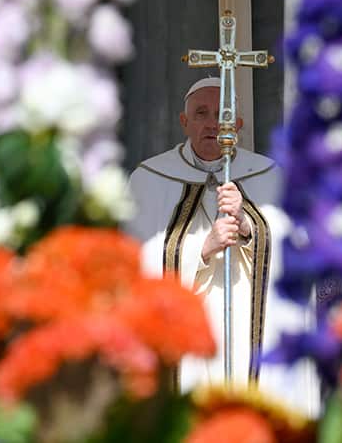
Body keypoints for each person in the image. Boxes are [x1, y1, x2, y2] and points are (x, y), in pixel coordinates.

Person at [125, 77, 318, 416]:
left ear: (239, 125)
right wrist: (202, 248)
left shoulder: (269, 175)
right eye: (201, 113)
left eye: (222, 114)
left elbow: (298, 254)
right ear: (184, 122)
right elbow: (135, 265)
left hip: (249, 323)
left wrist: (249, 225)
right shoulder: (149, 178)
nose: (213, 123)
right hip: (190, 325)